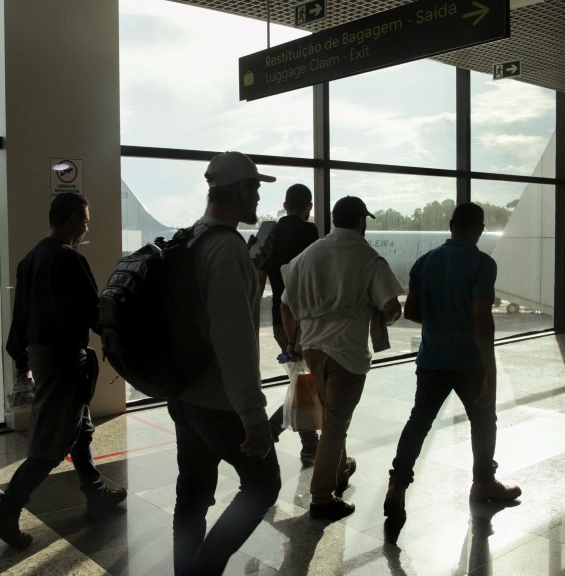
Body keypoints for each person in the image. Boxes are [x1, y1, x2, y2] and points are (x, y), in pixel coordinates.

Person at [0, 192, 126, 549]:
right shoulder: (69, 259)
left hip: (41, 356)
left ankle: (95, 491)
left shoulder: (31, 259)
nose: (87, 227)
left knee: (81, 428)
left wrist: (21, 363)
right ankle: (5, 508)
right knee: (48, 445)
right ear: (75, 219)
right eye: (87, 220)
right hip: (64, 360)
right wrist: (121, 347)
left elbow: (21, 317)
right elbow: (94, 312)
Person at [168, 151, 281, 576]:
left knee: (193, 495)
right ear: (239, 190)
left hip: (183, 393)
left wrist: (255, 269)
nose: (257, 198)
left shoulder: (192, 238)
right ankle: (204, 571)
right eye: (254, 188)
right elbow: (234, 341)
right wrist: (253, 416)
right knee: (263, 484)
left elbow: (211, 308)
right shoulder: (228, 248)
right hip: (219, 401)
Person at [384, 202, 521, 523]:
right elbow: (481, 319)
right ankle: (483, 483)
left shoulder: (424, 262)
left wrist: (439, 317)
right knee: (484, 421)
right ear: (480, 229)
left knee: (419, 421)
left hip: (431, 359)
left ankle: (397, 485)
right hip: (469, 362)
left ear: (450, 224)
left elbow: (412, 312)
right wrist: (491, 369)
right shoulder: (482, 264)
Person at [281, 195, 403, 521]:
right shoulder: (367, 257)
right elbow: (392, 309)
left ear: (334, 219)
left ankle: (340, 468)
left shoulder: (308, 255)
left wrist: (293, 342)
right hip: (347, 353)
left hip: (311, 348)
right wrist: (380, 315)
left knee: (332, 418)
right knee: (335, 424)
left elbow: (285, 304)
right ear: (362, 221)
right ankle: (321, 497)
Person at [258, 183, 321, 464]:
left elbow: (257, 277)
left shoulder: (267, 232)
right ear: (309, 207)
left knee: (300, 380)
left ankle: (309, 444)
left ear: (284, 206)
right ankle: (272, 431)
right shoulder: (309, 232)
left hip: (277, 318)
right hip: (304, 318)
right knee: (304, 381)